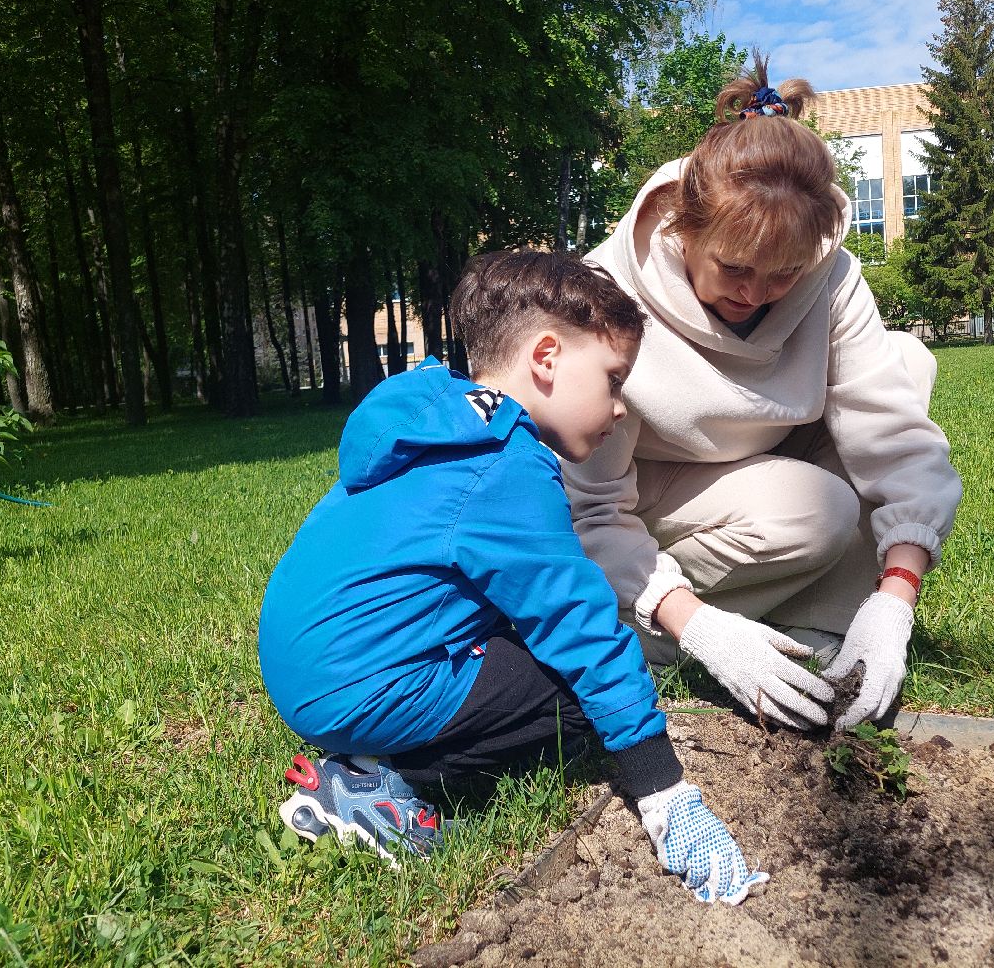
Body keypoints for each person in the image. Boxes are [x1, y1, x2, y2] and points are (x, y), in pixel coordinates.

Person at [257, 251, 766, 905]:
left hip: (310, 665)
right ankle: (379, 783)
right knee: (581, 699)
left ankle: (372, 748)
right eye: (613, 380)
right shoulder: (506, 467)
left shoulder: (442, 422)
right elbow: (578, 627)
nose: (618, 409)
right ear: (547, 358)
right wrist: (663, 788)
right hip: (358, 684)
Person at [563, 58, 963, 732]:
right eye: (734, 268)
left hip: (764, 461)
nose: (753, 295)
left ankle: (824, 627)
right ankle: (644, 632)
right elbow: (588, 513)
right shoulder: (607, 293)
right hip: (644, 496)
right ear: (681, 228)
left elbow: (897, 445)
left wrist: (897, 597)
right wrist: (700, 629)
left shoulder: (833, 277)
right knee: (819, 510)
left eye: (782, 275)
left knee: (904, 362)